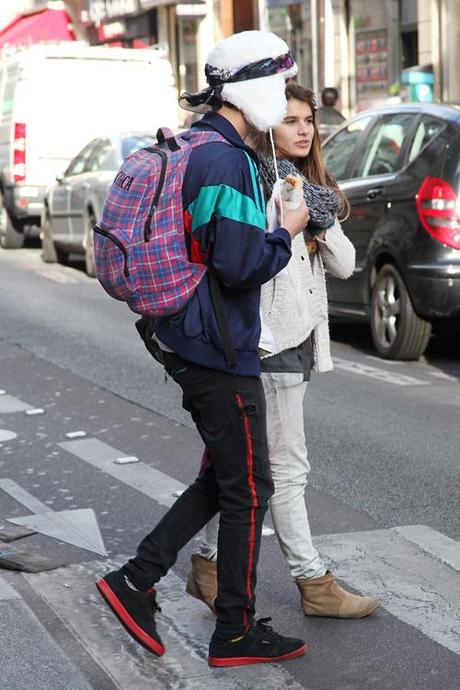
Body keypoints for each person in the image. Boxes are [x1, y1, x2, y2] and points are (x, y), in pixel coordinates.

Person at [96, 31, 311, 668]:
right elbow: (240, 262)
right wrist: (287, 230)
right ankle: (234, 630)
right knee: (250, 486)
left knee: (225, 477)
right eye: (276, 81)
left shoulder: (199, 144)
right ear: (248, 89)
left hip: (192, 337)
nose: (282, 93)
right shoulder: (227, 159)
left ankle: (134, 581)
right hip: (217, 347)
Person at [186, 82, 380, 620]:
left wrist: (315, 218)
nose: (301, 129)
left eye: (307, 121)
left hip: (295, 344)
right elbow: (247, 268)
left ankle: (206, 565)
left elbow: (344, 264)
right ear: (268, 125)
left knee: (237, 469)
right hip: (268, 345)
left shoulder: (309, 192)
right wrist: (287, 221)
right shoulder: (256, 185)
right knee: (287, 471)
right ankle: (313, 581)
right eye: (289, 119)